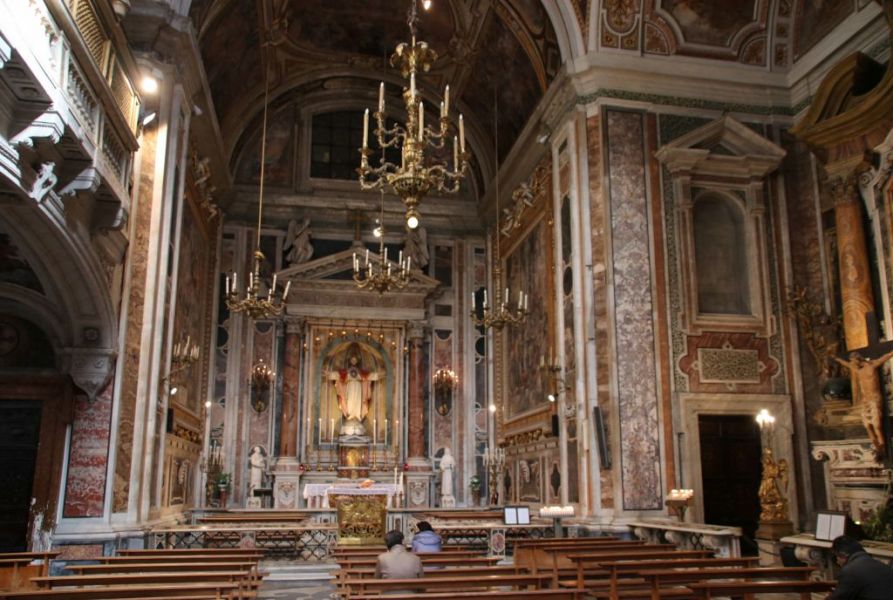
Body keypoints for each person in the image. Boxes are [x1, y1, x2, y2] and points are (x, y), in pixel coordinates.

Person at [833, 349, 893, 457]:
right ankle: (877, 447)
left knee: (877, 426)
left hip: (874, 399)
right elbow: (846, 364)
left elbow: (886, 356)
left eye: (853, 361)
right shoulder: (857, 370)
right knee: (867, 426)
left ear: (858, 359)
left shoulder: (872, 366)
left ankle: (882, 447)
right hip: (865, 401)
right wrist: (836, 358)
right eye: (851, 362)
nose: (852, 363)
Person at [827, 535, 893, 599]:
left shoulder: (850, 570)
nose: (837, 562)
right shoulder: (885, 567)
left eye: (836, 557)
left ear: (843, 554)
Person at [327, 349, 381, 423]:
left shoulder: (360, 372)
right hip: (350, 387)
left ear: (357, 361)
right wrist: (330, 375)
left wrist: (377, 376)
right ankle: (349, 416)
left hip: (358, 388)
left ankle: (357, 415)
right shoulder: (346, 371)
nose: (353, 361)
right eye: (352, 360)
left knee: (358, 402)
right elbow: (338, 375)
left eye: (355, 360)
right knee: (349, 401)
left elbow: (368, 376)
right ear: (350, 360)